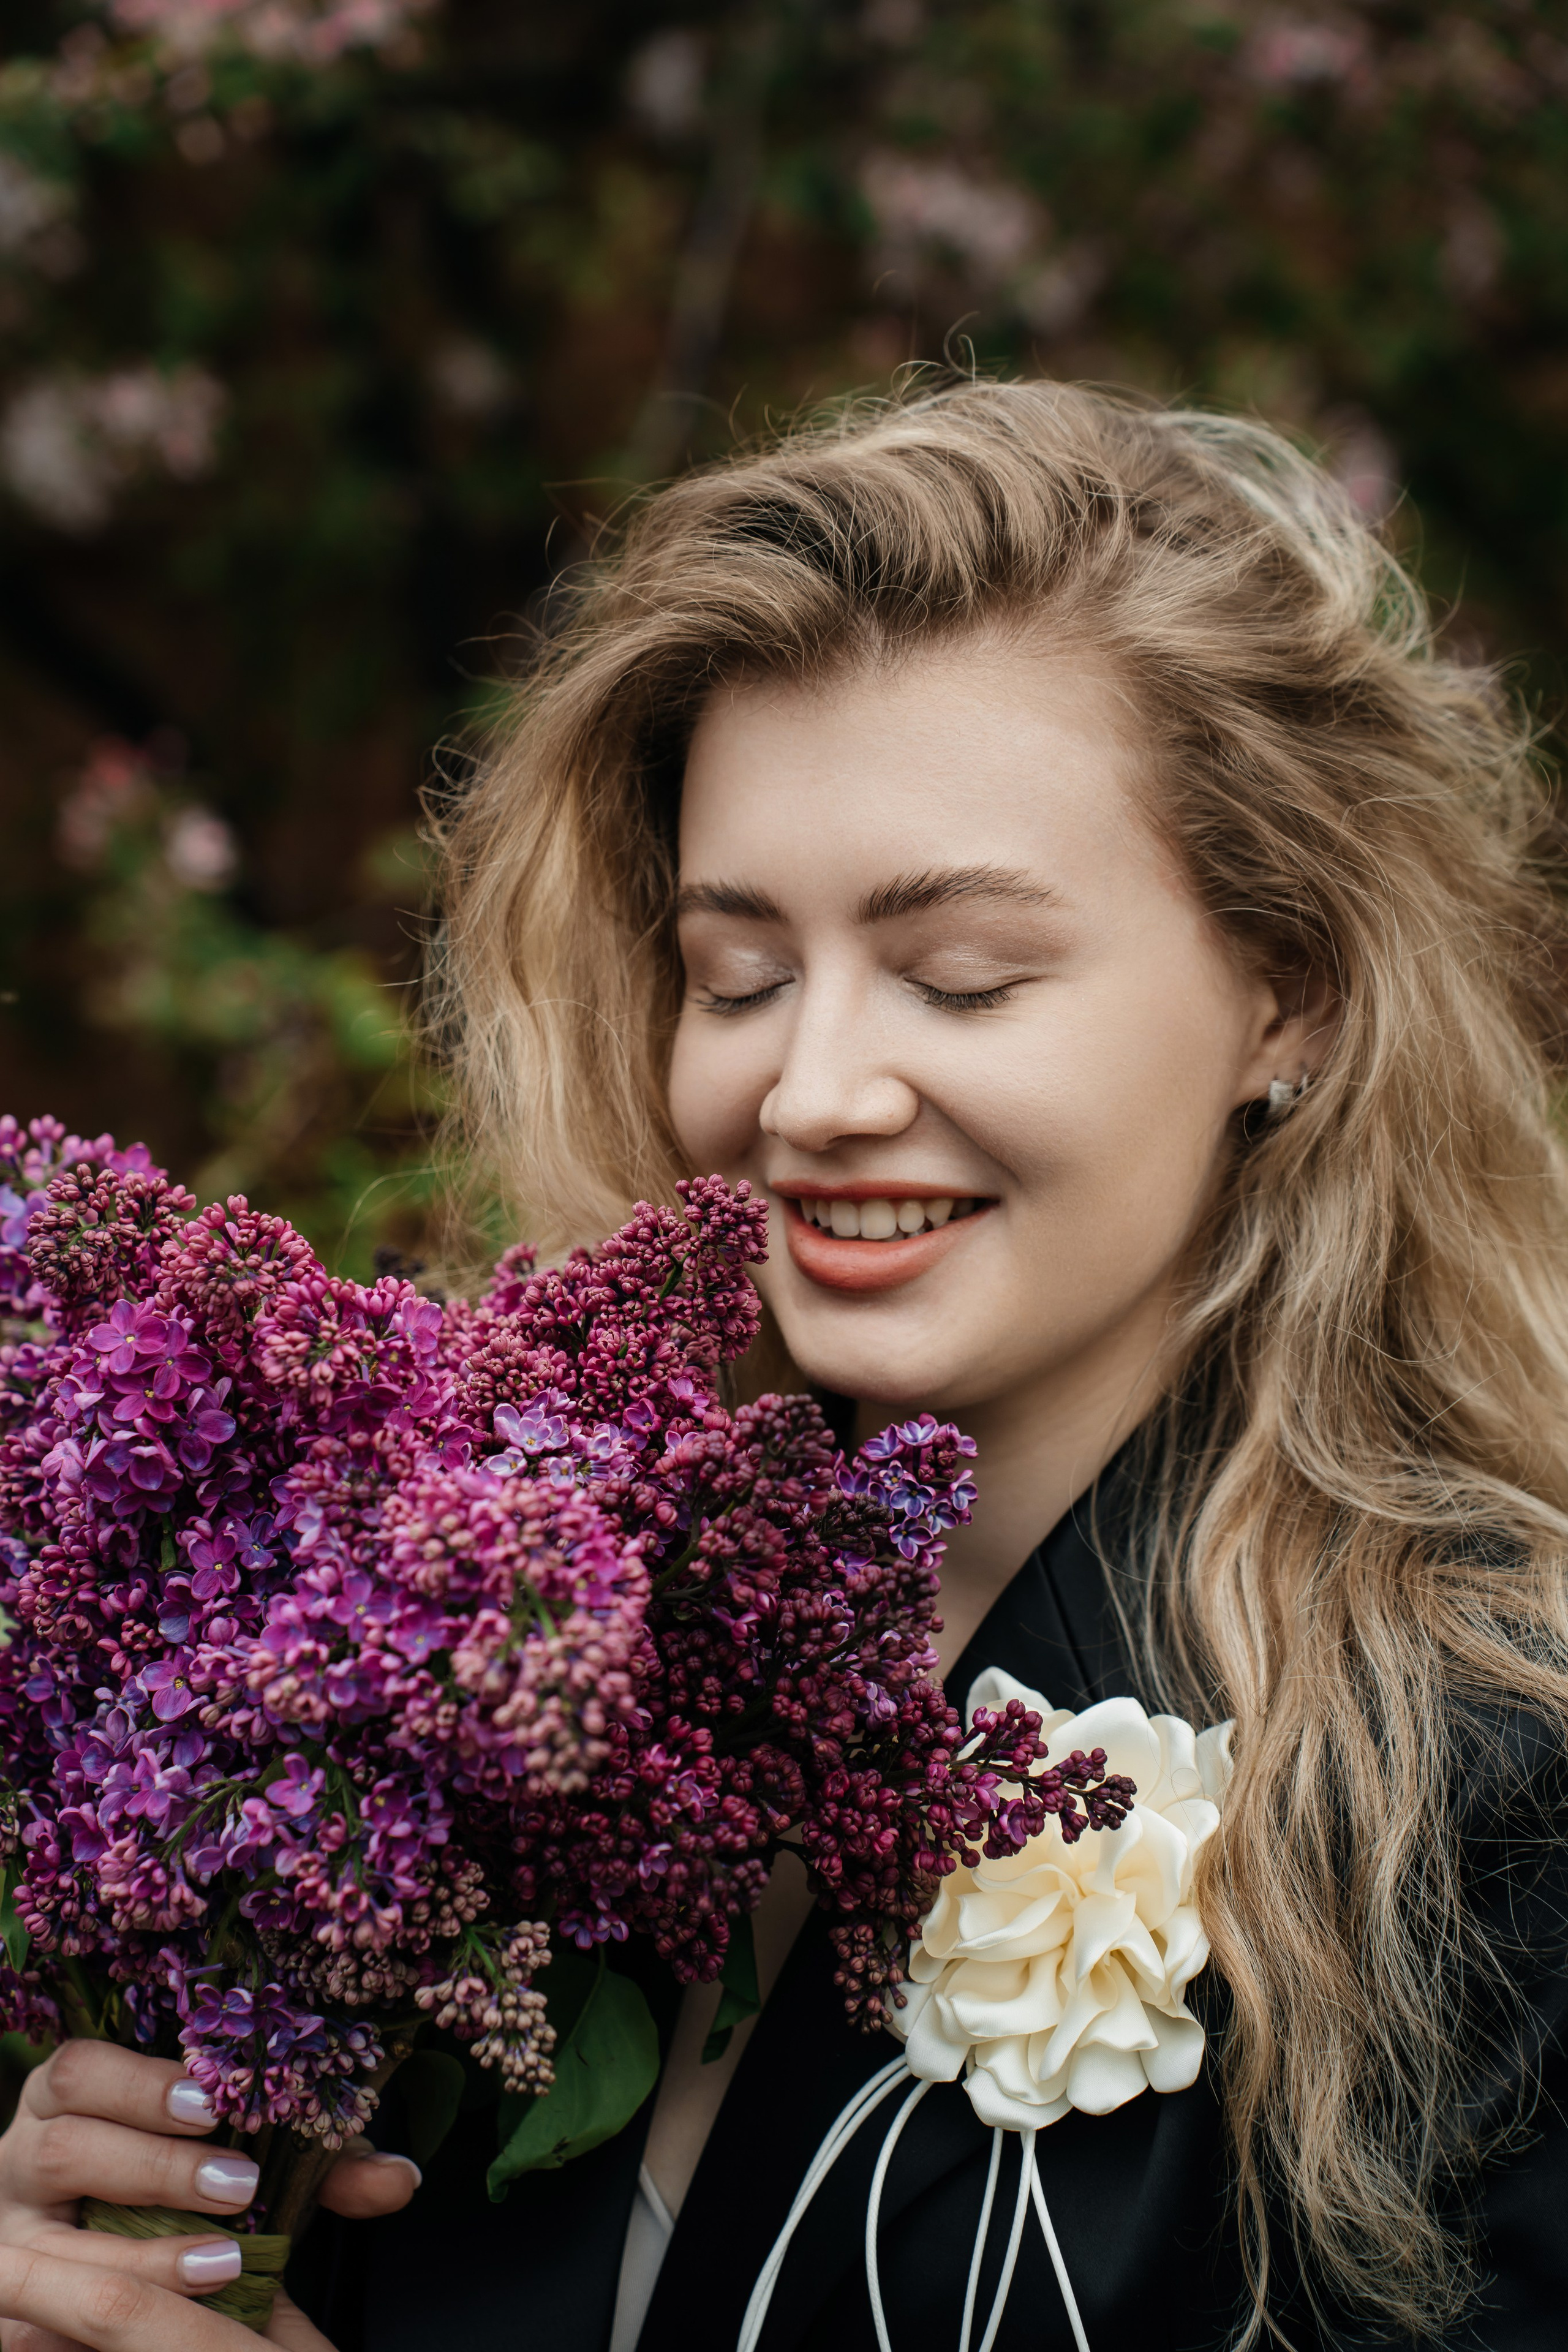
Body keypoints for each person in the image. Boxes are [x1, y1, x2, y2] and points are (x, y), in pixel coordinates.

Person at [2, 379, 1567, 2352]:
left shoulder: (1487, 1807)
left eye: (963, 976)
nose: (811, 1092)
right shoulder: (498, 1704)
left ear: (1296, 997)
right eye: (736, 976)